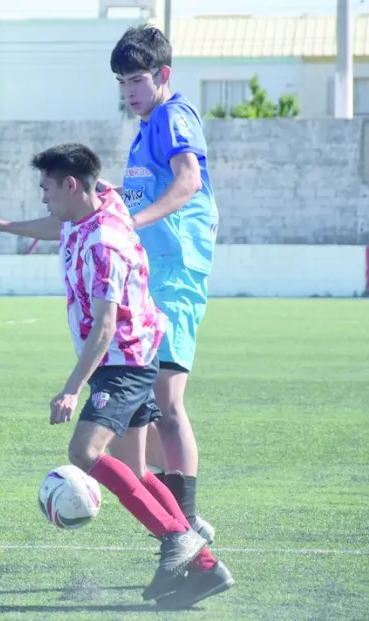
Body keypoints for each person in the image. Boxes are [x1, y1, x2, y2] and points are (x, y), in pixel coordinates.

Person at [0, 143, 232, 609]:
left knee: (84, 451)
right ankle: (206, 569)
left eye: (46, 188)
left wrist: (71, 390)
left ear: (70, 185)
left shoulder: (104, 241)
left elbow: (106, 325)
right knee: (135, 470)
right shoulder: (98, 201)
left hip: (123, 361)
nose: (42, 197)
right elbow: (58, 224)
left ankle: (176, 537)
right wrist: (2, 226)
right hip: (132, 355)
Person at [101, 24, 222, 544]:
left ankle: (187, 522)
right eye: (121, 82)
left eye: (136, 79)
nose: (128, 91)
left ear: (162, 75)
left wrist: (135, 220)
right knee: (150, 406)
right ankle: (177, 520)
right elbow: (140, 197)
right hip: (153, 276)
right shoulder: (147, 126)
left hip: (175, 272)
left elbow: (189, 179)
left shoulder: (173, 115)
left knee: (166, 404)